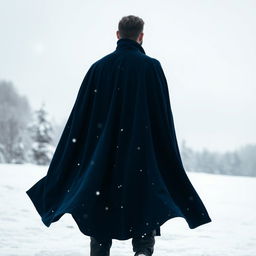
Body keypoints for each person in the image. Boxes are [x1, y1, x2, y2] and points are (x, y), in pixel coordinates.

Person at [26, 15, 212, 256]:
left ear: (117, 35)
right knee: (144, 199)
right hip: (141, 154)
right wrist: (165, 158)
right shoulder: (151, 68)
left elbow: (80, 119)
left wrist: (71, 161)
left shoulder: (99, 68)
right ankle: (143, 251)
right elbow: (162, 117)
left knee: (100, 203)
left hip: (102, 157)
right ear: (141, 36)